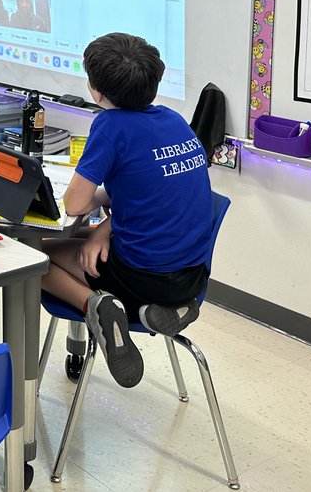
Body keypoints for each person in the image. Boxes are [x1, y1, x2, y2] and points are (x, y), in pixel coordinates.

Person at [41, 32, 213, 389]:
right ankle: (164, 312)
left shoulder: (110, 126)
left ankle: (97, 307)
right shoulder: (173, 120)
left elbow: (74, 204)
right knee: (86, 236)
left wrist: (100, 212)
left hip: (141, 277)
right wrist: (105, 226)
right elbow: (156, 198)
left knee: (30, 256)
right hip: (191, 277)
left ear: (96, 90)